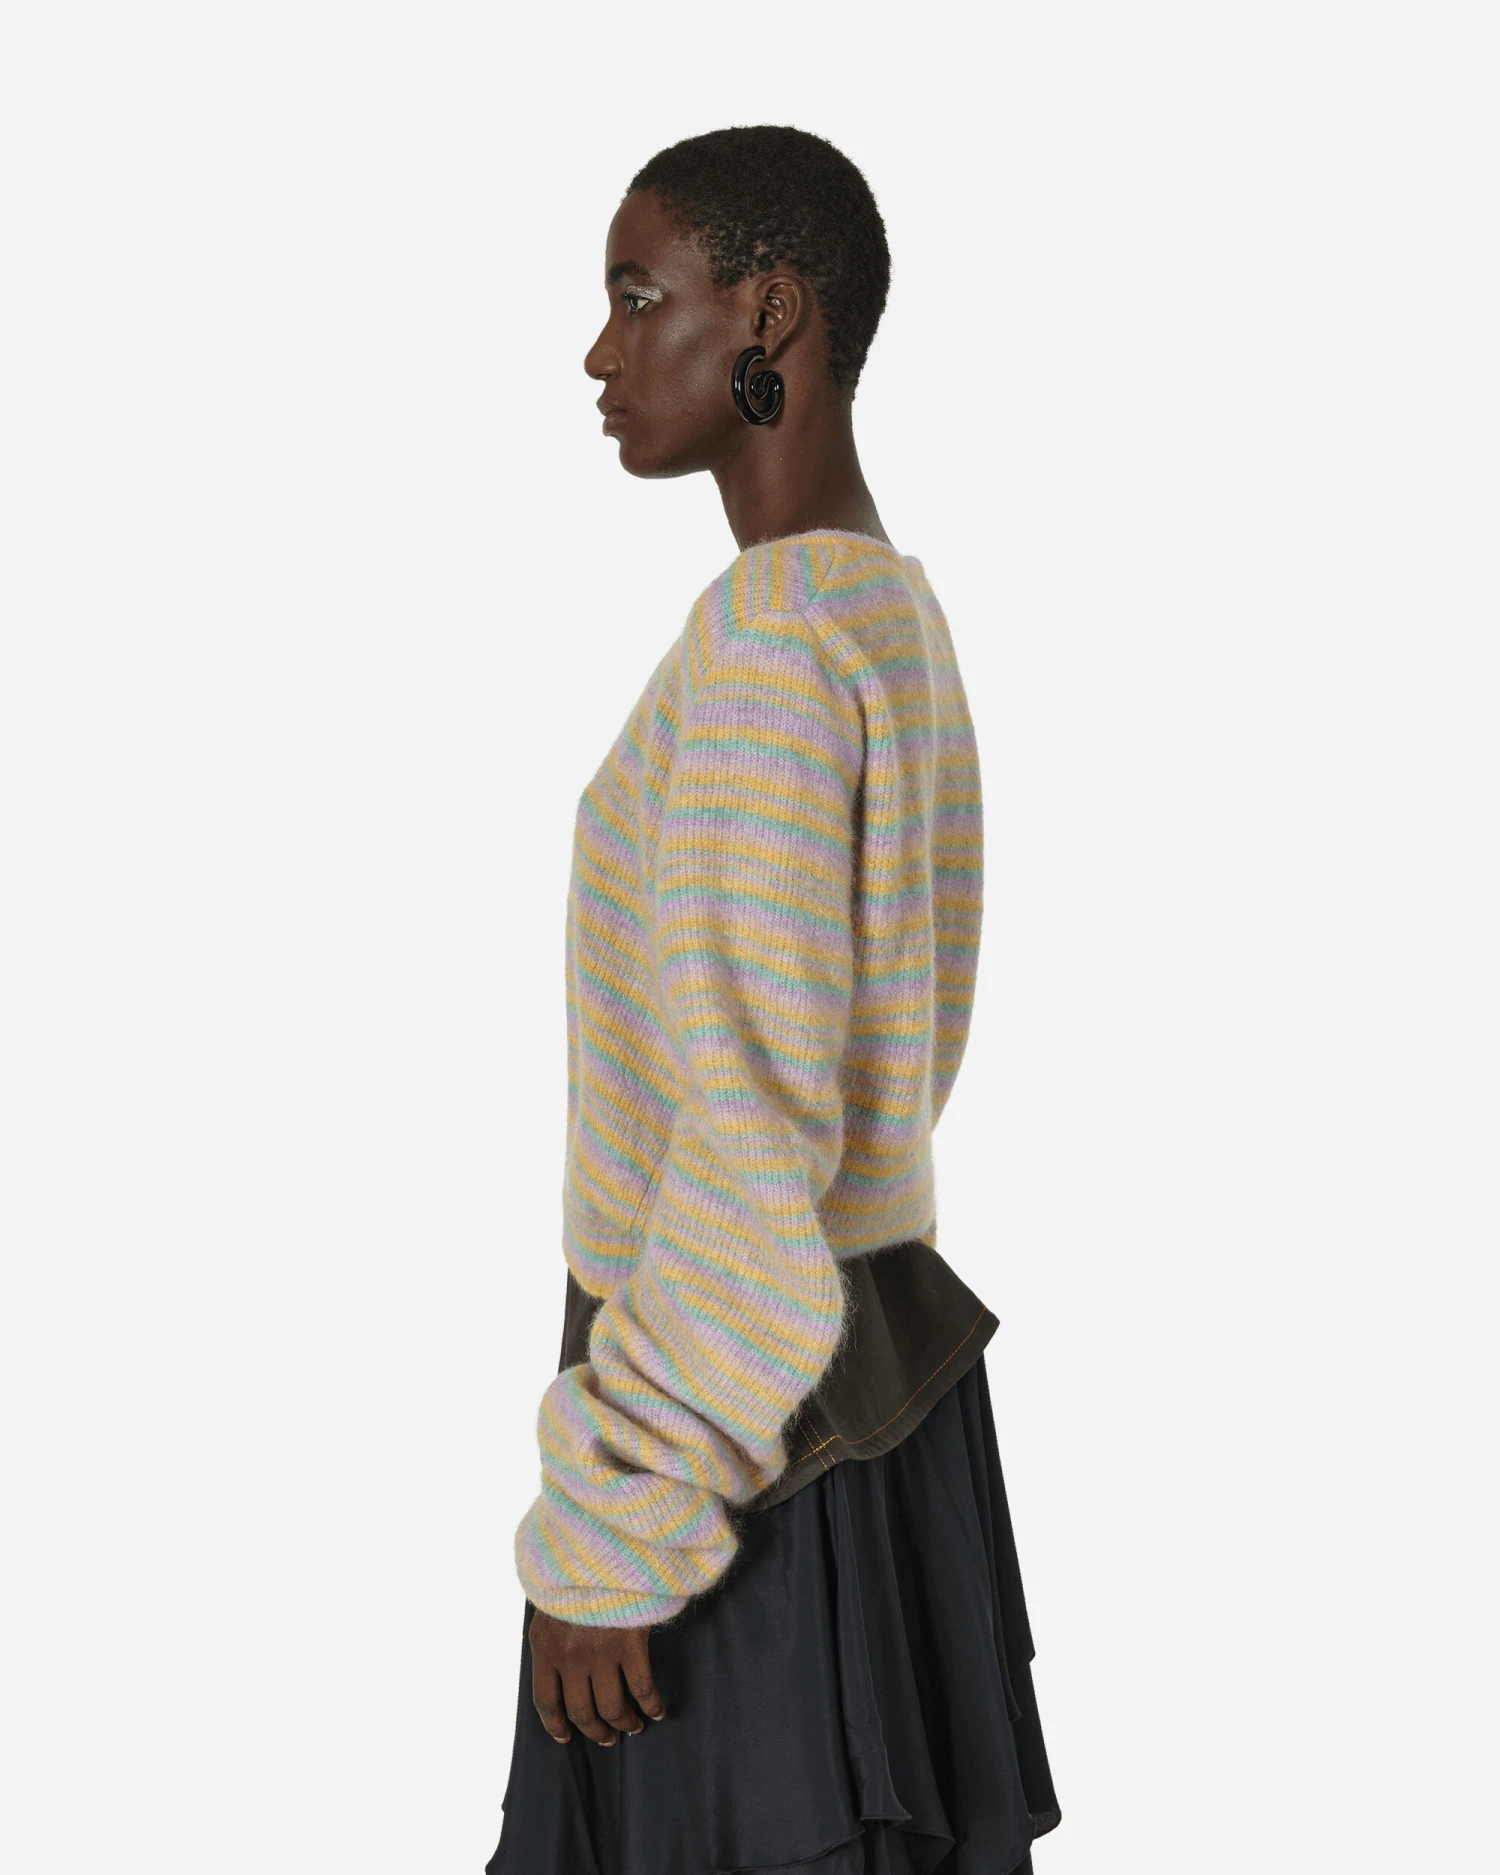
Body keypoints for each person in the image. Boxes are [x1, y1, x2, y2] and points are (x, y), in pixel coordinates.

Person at [486, 125, 1061, 1875]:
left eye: (637, 296)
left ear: (770, 316)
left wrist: (613, 1522)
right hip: (860, 1397)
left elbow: (751, 1140)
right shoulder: (883, 610)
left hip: (736, 1450)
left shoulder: (765, 646)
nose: (599, 351)